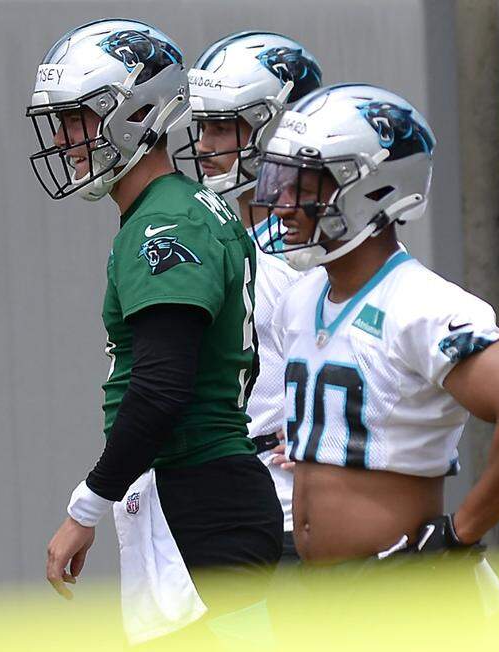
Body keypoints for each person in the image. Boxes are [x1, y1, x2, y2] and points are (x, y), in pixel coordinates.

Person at [28, 19, 280, 642]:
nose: (64, 139)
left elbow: (163, 387)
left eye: (77, 118)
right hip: (202, 494)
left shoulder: (162, 225)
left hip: (198, 497)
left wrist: (86, 505)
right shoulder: (184, 208)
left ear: (137, 111)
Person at [251, 83, 499, 577]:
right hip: (311, 581)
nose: (283, 204)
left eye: (305, 186)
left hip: (394, 583)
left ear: (372, 189)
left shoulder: (421, 304)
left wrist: (458, 534)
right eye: (281, 182)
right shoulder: (301, 298)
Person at [175, 30, 325, 561]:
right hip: (235, 498)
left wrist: (333, 442)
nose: (203, 145)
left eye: (222, 126)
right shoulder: (226, 232)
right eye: (201, 127)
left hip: (293, 511)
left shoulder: (310, 253)